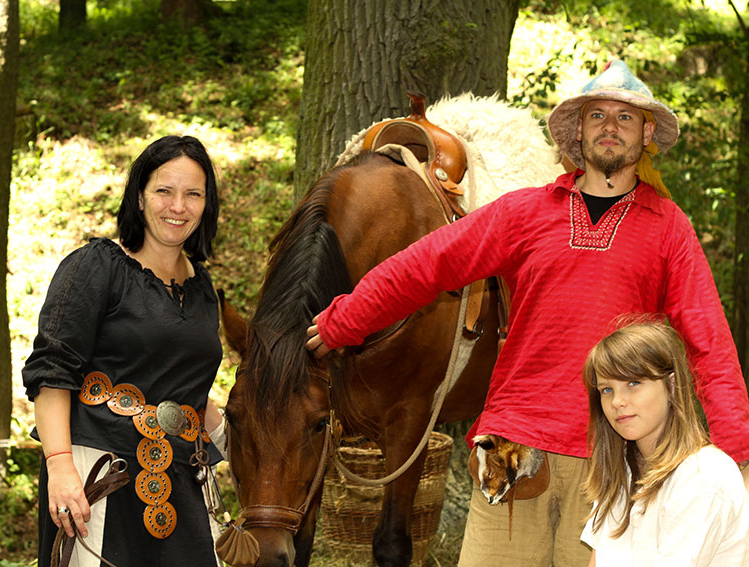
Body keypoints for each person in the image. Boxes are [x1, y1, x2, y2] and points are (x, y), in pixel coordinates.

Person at [305, 60, 749, 566]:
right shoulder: (524, 212)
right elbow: (426, 265)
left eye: (625, 117)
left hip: (616, 458)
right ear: (578, 131)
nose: (610, 126)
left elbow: (709, 343)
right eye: (597, 115)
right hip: (514, 454)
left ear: (646, 134)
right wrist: (347, 319)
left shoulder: (668, 227)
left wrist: (737, 454)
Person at [23, 135, 226, 567]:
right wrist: (60, 466)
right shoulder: (98, 266)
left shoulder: (202, 287)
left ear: (207, 204)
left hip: (183, 475)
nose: (178, 206)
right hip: (100, 470)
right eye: (164, 190)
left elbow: (190, 390)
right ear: (139, 196)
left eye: (193, 194)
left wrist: (242, 448)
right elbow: (52, 371)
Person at [581, 319, 749, 566]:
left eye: (633, 383)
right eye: (607, 389)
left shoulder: (703, 473)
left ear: (670, 386)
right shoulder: (621, 471)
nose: (617, 401)